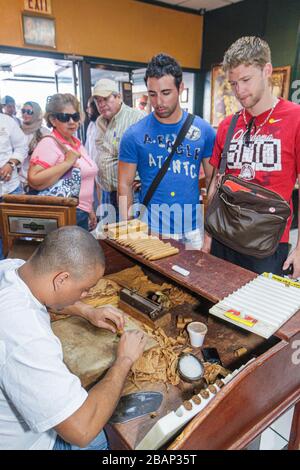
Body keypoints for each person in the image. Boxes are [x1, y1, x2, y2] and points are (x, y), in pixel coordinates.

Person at [0, 226, 147, 450]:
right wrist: (124, 360)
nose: (86, 295)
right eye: (84, 289)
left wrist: (87, 311)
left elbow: (41, 293)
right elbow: (82, 430)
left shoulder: (12, 268)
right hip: (27, 444)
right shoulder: (27, 337)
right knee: (118, 438)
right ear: (62, 279)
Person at [203, 36, 300, 276]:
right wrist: (208, 236)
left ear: (266, 70)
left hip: (267, 245)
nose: (240, 90)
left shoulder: (296, 119)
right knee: (215, 308)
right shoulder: (228, 125)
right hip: (223, 237)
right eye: (233, 83)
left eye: (246, 80)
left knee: (257, 313)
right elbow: (216, 183)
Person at [118, 53, 216, 249]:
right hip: (151, 228)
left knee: (193, 279)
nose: (159, 102)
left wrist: (210, 232)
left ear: (180, 88)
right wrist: (127, 229)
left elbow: (215, 182)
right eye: (152, 94)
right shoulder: (134, 134)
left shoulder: (204, 130)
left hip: (192, 228)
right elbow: (124, 184)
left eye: (166, 92)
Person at [28, 93, 98, 231]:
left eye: (75, 116)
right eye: (65, 117)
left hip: (79, 211)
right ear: (53, 120)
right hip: (65, 213)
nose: (72, 121)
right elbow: (33, 179)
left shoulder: (75, 142)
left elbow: (82, 182)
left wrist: (89, 209)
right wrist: (66, 163)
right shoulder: (50, 143)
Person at [93, 78, 145, 222]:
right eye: (98, 100)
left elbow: (150, 152)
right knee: (108, 237)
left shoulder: (136, 118)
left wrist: (143, 178)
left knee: (129, 237)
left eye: (105, 98)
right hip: (106, 191)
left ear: (118, 97)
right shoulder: (100, 121)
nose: (101, 104)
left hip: (130, 192)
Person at [0, 112, 28, 259]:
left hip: (10, 189)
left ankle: (14, 275)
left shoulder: (6, 121)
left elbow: (22, 146)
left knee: (17, 238)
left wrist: (11, 164)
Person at [19, 101, 50, 189]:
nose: (25, 114)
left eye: (29, 112)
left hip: (38, 180)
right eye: (23, 111)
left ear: (36, 113)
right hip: (19, 180)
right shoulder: (17, 131)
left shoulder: (45, 133)